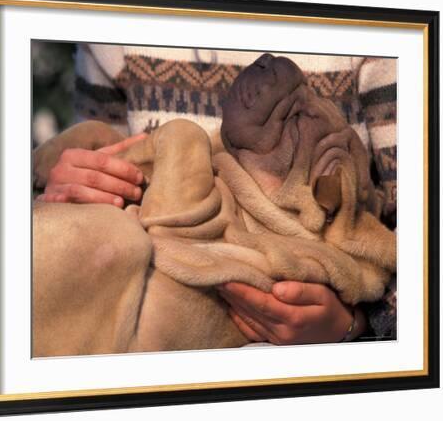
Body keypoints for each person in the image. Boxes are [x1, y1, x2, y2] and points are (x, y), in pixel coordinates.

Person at [35, 43, 397, 344]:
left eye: (295, 116)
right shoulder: (110, 29)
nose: (268, 65)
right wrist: (56, 180)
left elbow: (431, 249)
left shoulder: (386, 30)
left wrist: (356, 326)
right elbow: (108, 154)